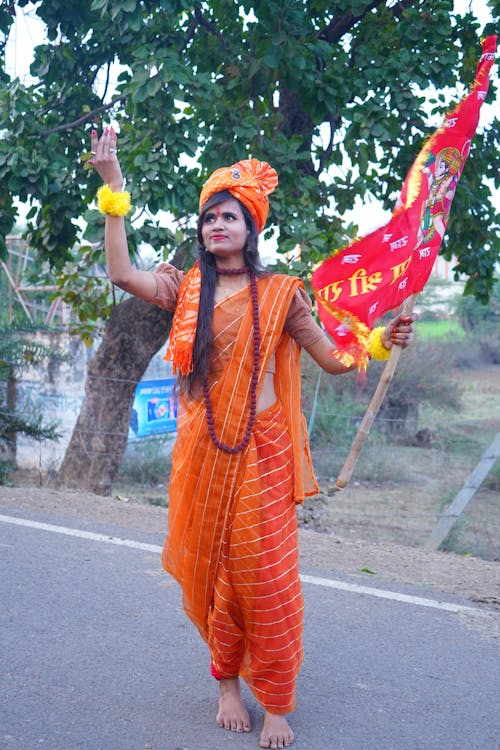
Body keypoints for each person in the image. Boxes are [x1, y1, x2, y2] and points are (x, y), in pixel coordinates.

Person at [89, 126, 416, 749]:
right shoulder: (186, 288)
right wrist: (114, 191)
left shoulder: (282, 293)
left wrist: (376, 342)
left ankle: (277, 701)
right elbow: (121, 271)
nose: (216, 225)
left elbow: (331, 358)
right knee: (217, 574)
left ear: (251, 228)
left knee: (265, 576)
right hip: (203, 453)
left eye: (229, 216)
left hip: (261, 455)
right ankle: (227, 685)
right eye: (208, 217)